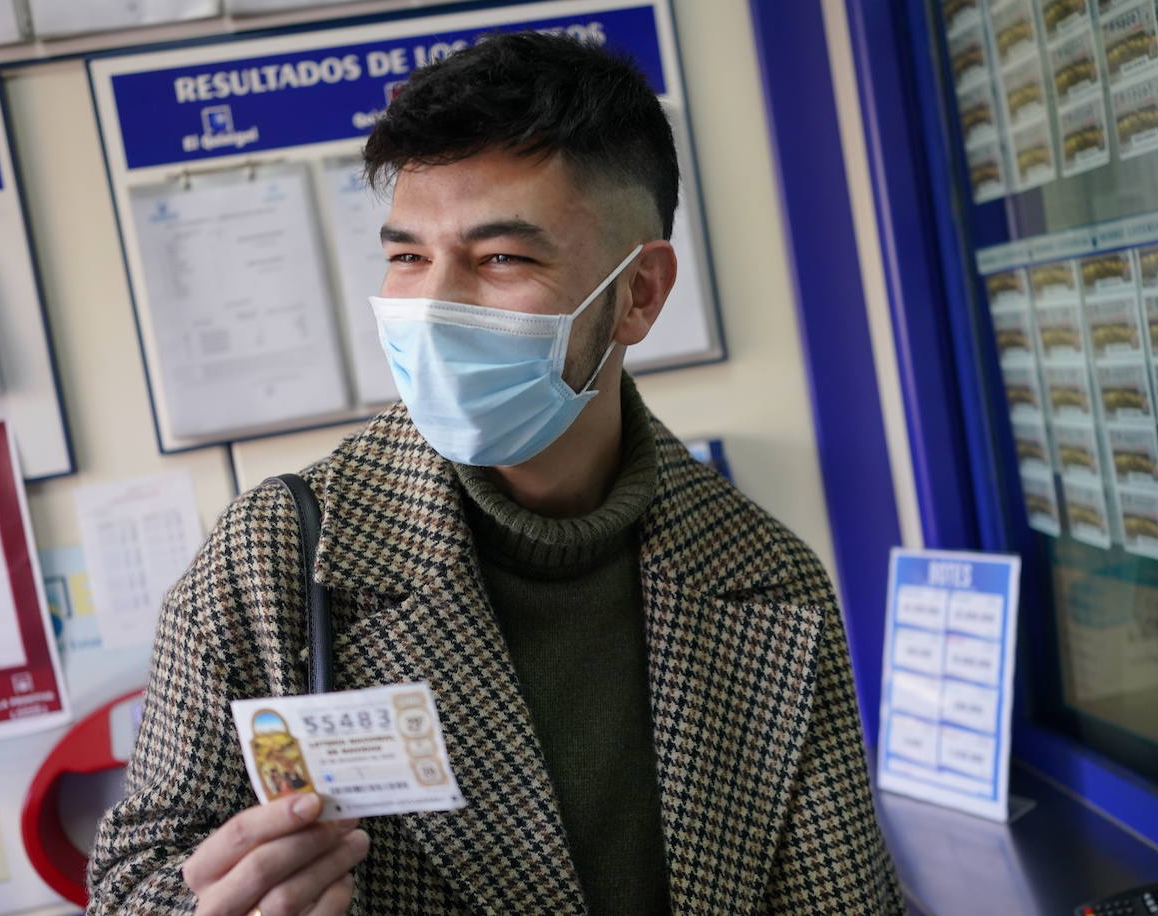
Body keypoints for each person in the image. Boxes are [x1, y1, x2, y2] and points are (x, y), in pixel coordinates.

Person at [88, 31, 903, 916]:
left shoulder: (769, 582)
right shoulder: (277, 555)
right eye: (406, 257)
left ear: (639, 295)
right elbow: (135, 873)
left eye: (502, 258)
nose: (434, 306)